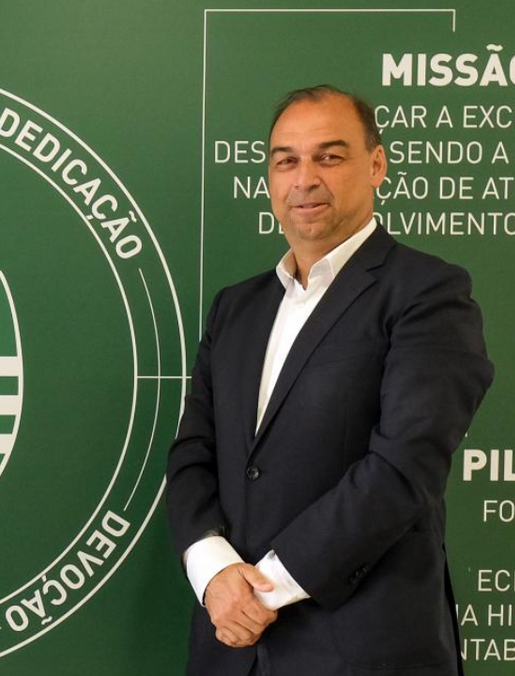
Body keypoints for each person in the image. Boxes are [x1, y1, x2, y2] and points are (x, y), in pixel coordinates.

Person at [166, 85, 492, 675]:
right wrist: (215, 573)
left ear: (376, 165)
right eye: (286, 160)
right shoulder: (235, 308)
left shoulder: (428, 293)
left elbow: (403, 468)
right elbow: (193, 453)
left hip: (364, 650)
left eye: (329, 156)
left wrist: (263, 589)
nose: (305, 178)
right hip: (228, 649)